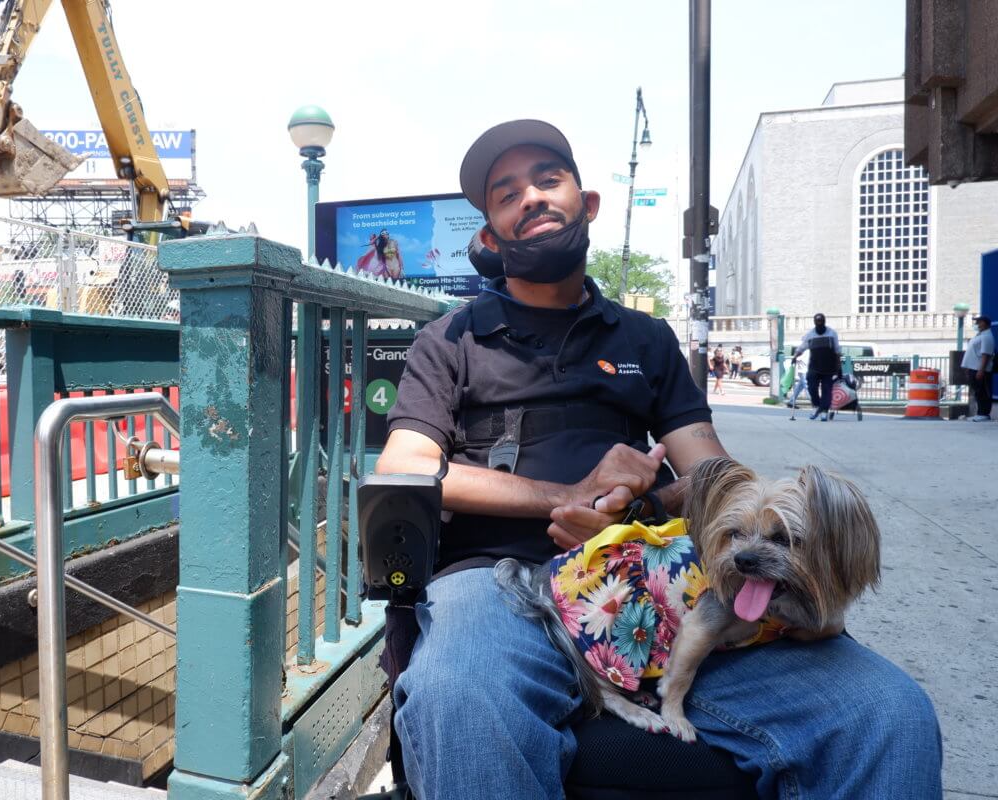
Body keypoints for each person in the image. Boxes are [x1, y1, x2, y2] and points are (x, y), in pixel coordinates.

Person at [377, 119, 941, 800]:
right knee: (461, 700)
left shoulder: (645, 338)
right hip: (497, 585)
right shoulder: (451, 339)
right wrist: (566, 496)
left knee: (885, 715)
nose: (531, 196)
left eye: (548, 179)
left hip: (654, 587)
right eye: (507, 193)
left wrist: (638, 507)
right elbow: (406, 467)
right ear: (491, 237)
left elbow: (711, 474)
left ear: (587, 205)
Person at [793, 313, 841, 421]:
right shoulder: (810, 335)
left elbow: (837, 350)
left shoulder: (832, 333)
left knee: (826, 390)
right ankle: (816, 406)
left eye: (821, 321)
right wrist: (795, 356)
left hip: (829, 367)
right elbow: (802, 347)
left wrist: (838, 367)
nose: (819, 323)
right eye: (817, 321)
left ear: (824, 321)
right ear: (814, 322)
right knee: (811, 387)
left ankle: (824, 411)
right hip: (814, 366)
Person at [961, 314, 994, 421]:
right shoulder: (979, 336)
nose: (977, 324)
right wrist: (967, 367)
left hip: (980, 369)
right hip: (973, 368)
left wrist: (981, 370)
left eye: (979, 322)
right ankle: (979, 413)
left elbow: (986, 354)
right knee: (977, 392)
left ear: (985, 323)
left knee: (983, 391)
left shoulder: (987, 336)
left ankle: (984, 414)